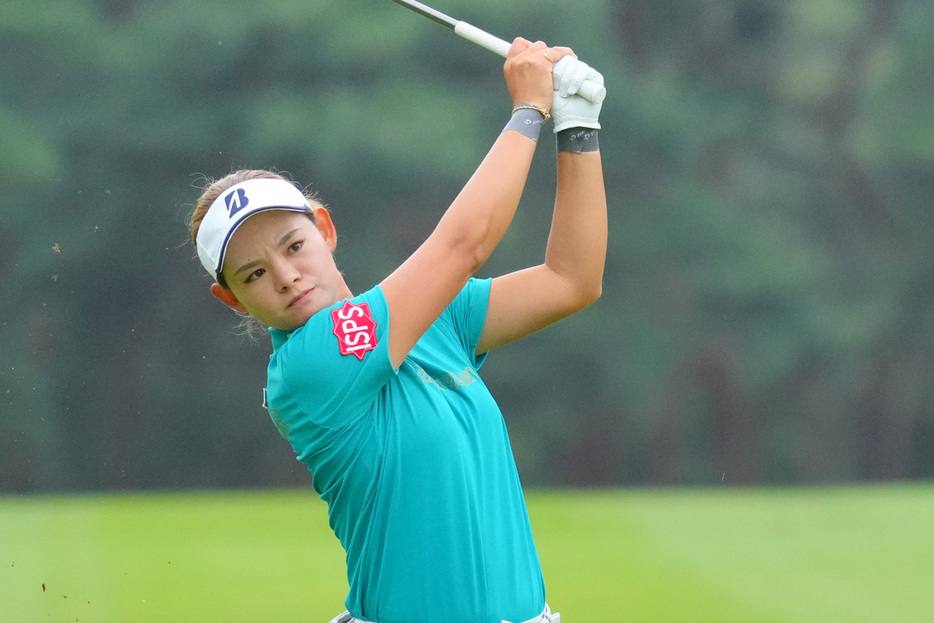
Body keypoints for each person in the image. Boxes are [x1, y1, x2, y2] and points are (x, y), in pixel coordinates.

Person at [188, 38, 606, 623]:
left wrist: (578, 127)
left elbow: (571, 280)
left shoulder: (435, 318)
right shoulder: (309, 367)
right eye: (255, 274)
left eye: (293, 246)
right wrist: (528, 111)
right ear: (231, 298)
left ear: (325, 230)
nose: (286, 277)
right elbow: (464, 245)